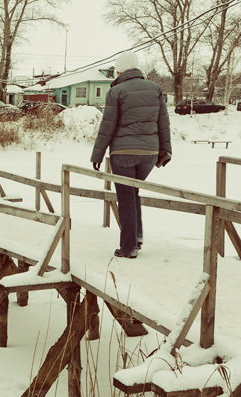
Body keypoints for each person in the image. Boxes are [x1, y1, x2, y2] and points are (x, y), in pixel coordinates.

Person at [91, 51, 172, 259]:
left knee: (125, 197)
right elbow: (163, 123)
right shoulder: (155, 89)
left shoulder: (116, 91)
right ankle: (136, 236)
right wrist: (165, 150)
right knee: (133, 193)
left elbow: (107, 126)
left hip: (123, 152)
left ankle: (128, 247)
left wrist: (97, 155)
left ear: (119, 70)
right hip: (150, 153)